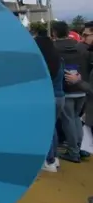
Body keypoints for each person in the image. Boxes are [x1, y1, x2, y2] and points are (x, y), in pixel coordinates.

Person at [52, 20, 92, 162]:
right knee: (76, 119)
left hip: (66, 90)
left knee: (68, 121)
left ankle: (73, 152)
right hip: (81, 88)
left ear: (54, 32)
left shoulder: (53, 48)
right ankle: (80, 148)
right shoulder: (79, 46)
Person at [34, 30, 64, 172]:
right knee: (52, 128)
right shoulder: (58, 60)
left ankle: (49, 161)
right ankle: (54, 158)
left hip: (48, 99)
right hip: (60, 97)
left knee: (47, 130)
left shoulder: (42, 64)